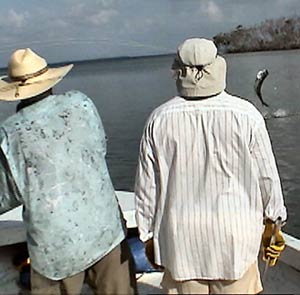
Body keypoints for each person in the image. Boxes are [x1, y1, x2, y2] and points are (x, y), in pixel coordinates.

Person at [134, 38, 287, 294]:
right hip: (235, 243)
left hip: (181, 245)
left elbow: (146, 189)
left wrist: (147, 236)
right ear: (218, 67)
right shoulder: (247, 115)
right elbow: (267, 179)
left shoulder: (158, 120)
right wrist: (274, 224)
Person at [0, 48, 137, 295]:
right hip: (105, 230)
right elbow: (99, 149)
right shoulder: (81, 103)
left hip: (55, 250)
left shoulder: (9, 134)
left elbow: (7, 195)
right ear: (49, 81)